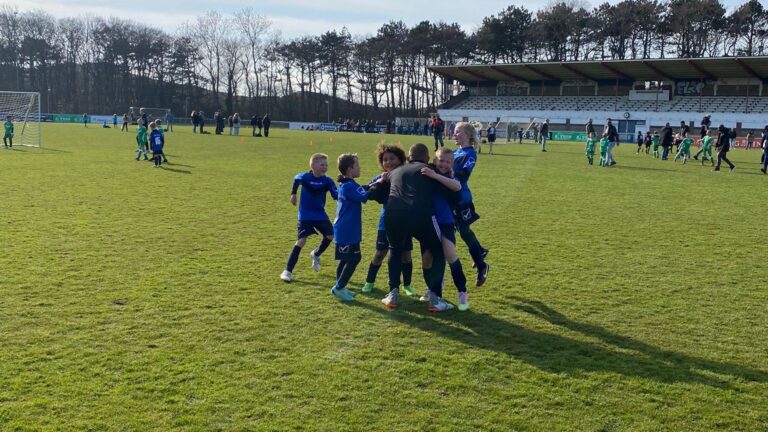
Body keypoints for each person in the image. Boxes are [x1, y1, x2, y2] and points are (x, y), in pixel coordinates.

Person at [366, 144, 453, 312]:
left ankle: (392, 294)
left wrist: (378, 182)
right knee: (437, 251)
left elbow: (373, 193)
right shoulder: (430, 169)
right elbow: (451, 192)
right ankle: (434, 298)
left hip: (393, 214)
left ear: (408, 158)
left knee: (395, 250)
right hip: (419, 214)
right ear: (427, 159)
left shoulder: (394, 172)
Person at [361, 143, 414, 296]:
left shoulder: (406, 176)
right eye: (385, 160)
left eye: (392, 158)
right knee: (380, 253)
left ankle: (407, 285)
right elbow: (365, 190)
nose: (388, 162)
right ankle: (369, 281)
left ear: (400, 160)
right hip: (386, 223)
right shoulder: (380, 178)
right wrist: (379, 182)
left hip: (404, 222)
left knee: (406, 255)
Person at [421, 147, 469, 311]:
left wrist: (434, 176)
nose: (444, 164)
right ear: (435, 160)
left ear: (452, 164)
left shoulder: (450, 177)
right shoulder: (427, 170)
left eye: (448, 162)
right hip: (428, 223)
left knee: (450, 256)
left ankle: (462, 291)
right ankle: (432, 290)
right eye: (441, 160)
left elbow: (457, 187)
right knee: (427, 259)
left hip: (446, 222)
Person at [280, 153, 338, 282]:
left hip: (320, 215)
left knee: (330, 236)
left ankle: (316, 254)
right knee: (301, 241)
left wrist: (343, 192)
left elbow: (336, 194)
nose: (325, 167)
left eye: (326, 165)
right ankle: (287, 271)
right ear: (312, 165)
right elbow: (296, 179)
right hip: (305, 215)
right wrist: (293, 194)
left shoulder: (327, 181)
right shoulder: (305, 177)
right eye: (322, 165)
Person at [452, 122, 489, 286]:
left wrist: (448, 171)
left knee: (464, 230)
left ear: (467, 135)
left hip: (461, 199)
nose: (454, 135)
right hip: (450, 198)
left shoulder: (470, 153)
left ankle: (482, 265)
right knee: (462, 230)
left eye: (457, 132)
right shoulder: (454, 152)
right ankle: (480, 252)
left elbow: (464, 173)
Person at [330, 153, 371, 302]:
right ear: (350, 169)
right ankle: (339, 287)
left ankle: (340, 286)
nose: (360, 168)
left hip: (346, 229)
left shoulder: (348, 184)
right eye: (357, 165)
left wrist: (377, 181)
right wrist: (382, 182)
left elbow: (364, 188)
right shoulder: (349, 186)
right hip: (347, 230)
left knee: (345, 258)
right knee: (354, 258)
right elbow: (365, 195)